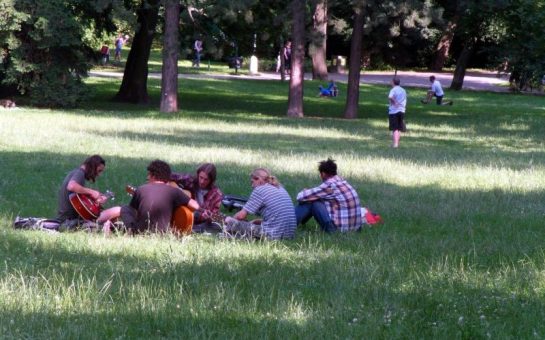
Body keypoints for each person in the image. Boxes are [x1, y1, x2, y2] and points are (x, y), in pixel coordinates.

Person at [98, 160, 199, 235]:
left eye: (149, 175)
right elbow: (195, 206)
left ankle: (106, 224)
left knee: (125, 208)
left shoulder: (141, 189)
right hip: (162, 234)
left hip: (139, 232)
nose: (147, 178)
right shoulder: (175, 191)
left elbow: (134, 211)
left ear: (153, 175)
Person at [223, 168, 296, 240]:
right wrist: (259, 221)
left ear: (258, 179)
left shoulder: (260, 190)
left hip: (272, 235)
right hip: (289, 235)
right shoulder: (280, 188)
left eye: (252, 182)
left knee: (229, 220)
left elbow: (240, 216)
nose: (252, 186)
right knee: (251, 224)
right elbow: (278, 215)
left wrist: (231, 222)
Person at [295, 158, 362, 233]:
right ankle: (298, 222)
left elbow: (300, 197)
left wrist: (306, 192)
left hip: (338, 230)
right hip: (355, 228)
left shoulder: (329, 185)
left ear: (323, 174)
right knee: (314, 198)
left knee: (313, 202)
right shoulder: (342, 181)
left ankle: (290, 222)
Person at [171, 163, 223, 233]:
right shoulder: (190, 180)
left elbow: (214, 215)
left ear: (211, 180)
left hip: (196, 219)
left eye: (206, 179)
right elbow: (169, 175)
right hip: (180, 211)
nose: (202, 182)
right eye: (201, 177)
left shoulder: (216, 194)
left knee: (216, 226)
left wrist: (208, 217)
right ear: (198, 175)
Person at [56, 155, 107, 224]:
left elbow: (78, 201)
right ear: (93, 166)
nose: (99, 174)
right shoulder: (80, 173)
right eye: (99, 171)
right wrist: (92, 192)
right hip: (68, 221)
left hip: (66, 219)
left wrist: (95, 201)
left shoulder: (76, 172)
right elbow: (71, 186)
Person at [388, 77, 407, 148]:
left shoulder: (393, 89)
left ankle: (395, 144)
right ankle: (396, 143)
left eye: (391, 81)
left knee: (395, 128)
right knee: (398, 128)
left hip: (394, 111)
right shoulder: (403, 90)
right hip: (402, 110)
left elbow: (390, 97)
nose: (390, 82)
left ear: (393, 82)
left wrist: (395, 102)